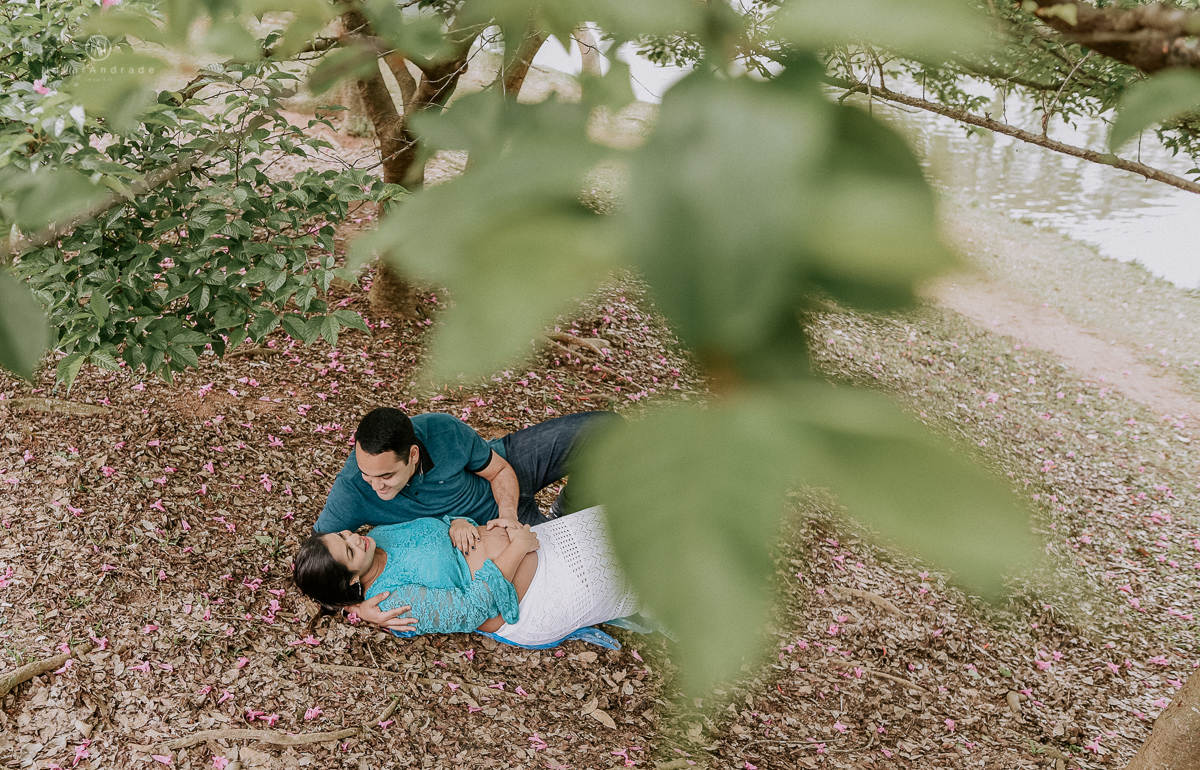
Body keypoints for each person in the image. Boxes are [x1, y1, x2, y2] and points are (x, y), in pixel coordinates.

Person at [313, 407, 619, 631]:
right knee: (606, 557)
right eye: (368, 475)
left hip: (504, 481)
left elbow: (498, 471)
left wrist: (509, 517)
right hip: (491, 542)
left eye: (386, 476)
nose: (376, 486)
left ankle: (567, 511)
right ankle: (563, 528)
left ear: (413, 455)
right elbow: (319, 568)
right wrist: (360, 609)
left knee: (605, 430)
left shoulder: (442, 430)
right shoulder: (351, 490)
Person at [294, 506, 640, 647]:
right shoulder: (392, 601)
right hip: (539, 592)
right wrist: (517, 547)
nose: (355, 538)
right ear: (353, 581)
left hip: (539, 541)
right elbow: (472, 609)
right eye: (350, 551)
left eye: (343, 536)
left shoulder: (380, 534)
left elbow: (440, 526)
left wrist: (458, 522)